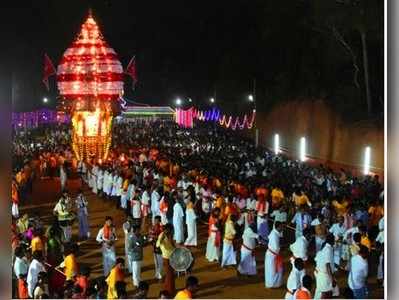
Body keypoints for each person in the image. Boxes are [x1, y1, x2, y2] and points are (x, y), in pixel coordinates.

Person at [156, 223, 176, 296]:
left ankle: (171, 289)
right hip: (166, 258)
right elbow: (157, 245)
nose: (170, 231)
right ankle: (169, 292)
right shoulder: (162, 235)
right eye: (169, 230)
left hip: (172, 256)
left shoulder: (170, 235)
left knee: (171, 275)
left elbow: (172, 245)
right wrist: (162, 238)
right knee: (169, 275)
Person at [314, 234, 335, 299]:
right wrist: (332, 280)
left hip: (323, 274)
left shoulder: (327, 248)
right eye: (334, 240)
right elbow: (327, 266)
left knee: (327, 293)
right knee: (324, 294)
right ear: (332, 241)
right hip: (325, 276)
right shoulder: (328, 250)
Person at [265, 221, 284, 288]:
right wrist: (281, 248)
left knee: (275, 270)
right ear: (278, 227)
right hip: (272, 256)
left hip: (273, 255)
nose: (282, 228)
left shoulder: (275, 233)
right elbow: (276, 247)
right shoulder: (274, 235)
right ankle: (272, 284)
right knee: (272, 271)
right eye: (281, 226)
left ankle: (275, 283)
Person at [149, 215, 164, 280]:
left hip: (160, 248)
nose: (155, 221)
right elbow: (150, 236)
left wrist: (153, 237)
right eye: (154, 220)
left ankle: (159, 274)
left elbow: (161, 237)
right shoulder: (152, 227)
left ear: (159, 221)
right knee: (156, 262)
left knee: (160, 262)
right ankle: (157, 273)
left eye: (156, 220)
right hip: (154, 247)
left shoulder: (162, 228)